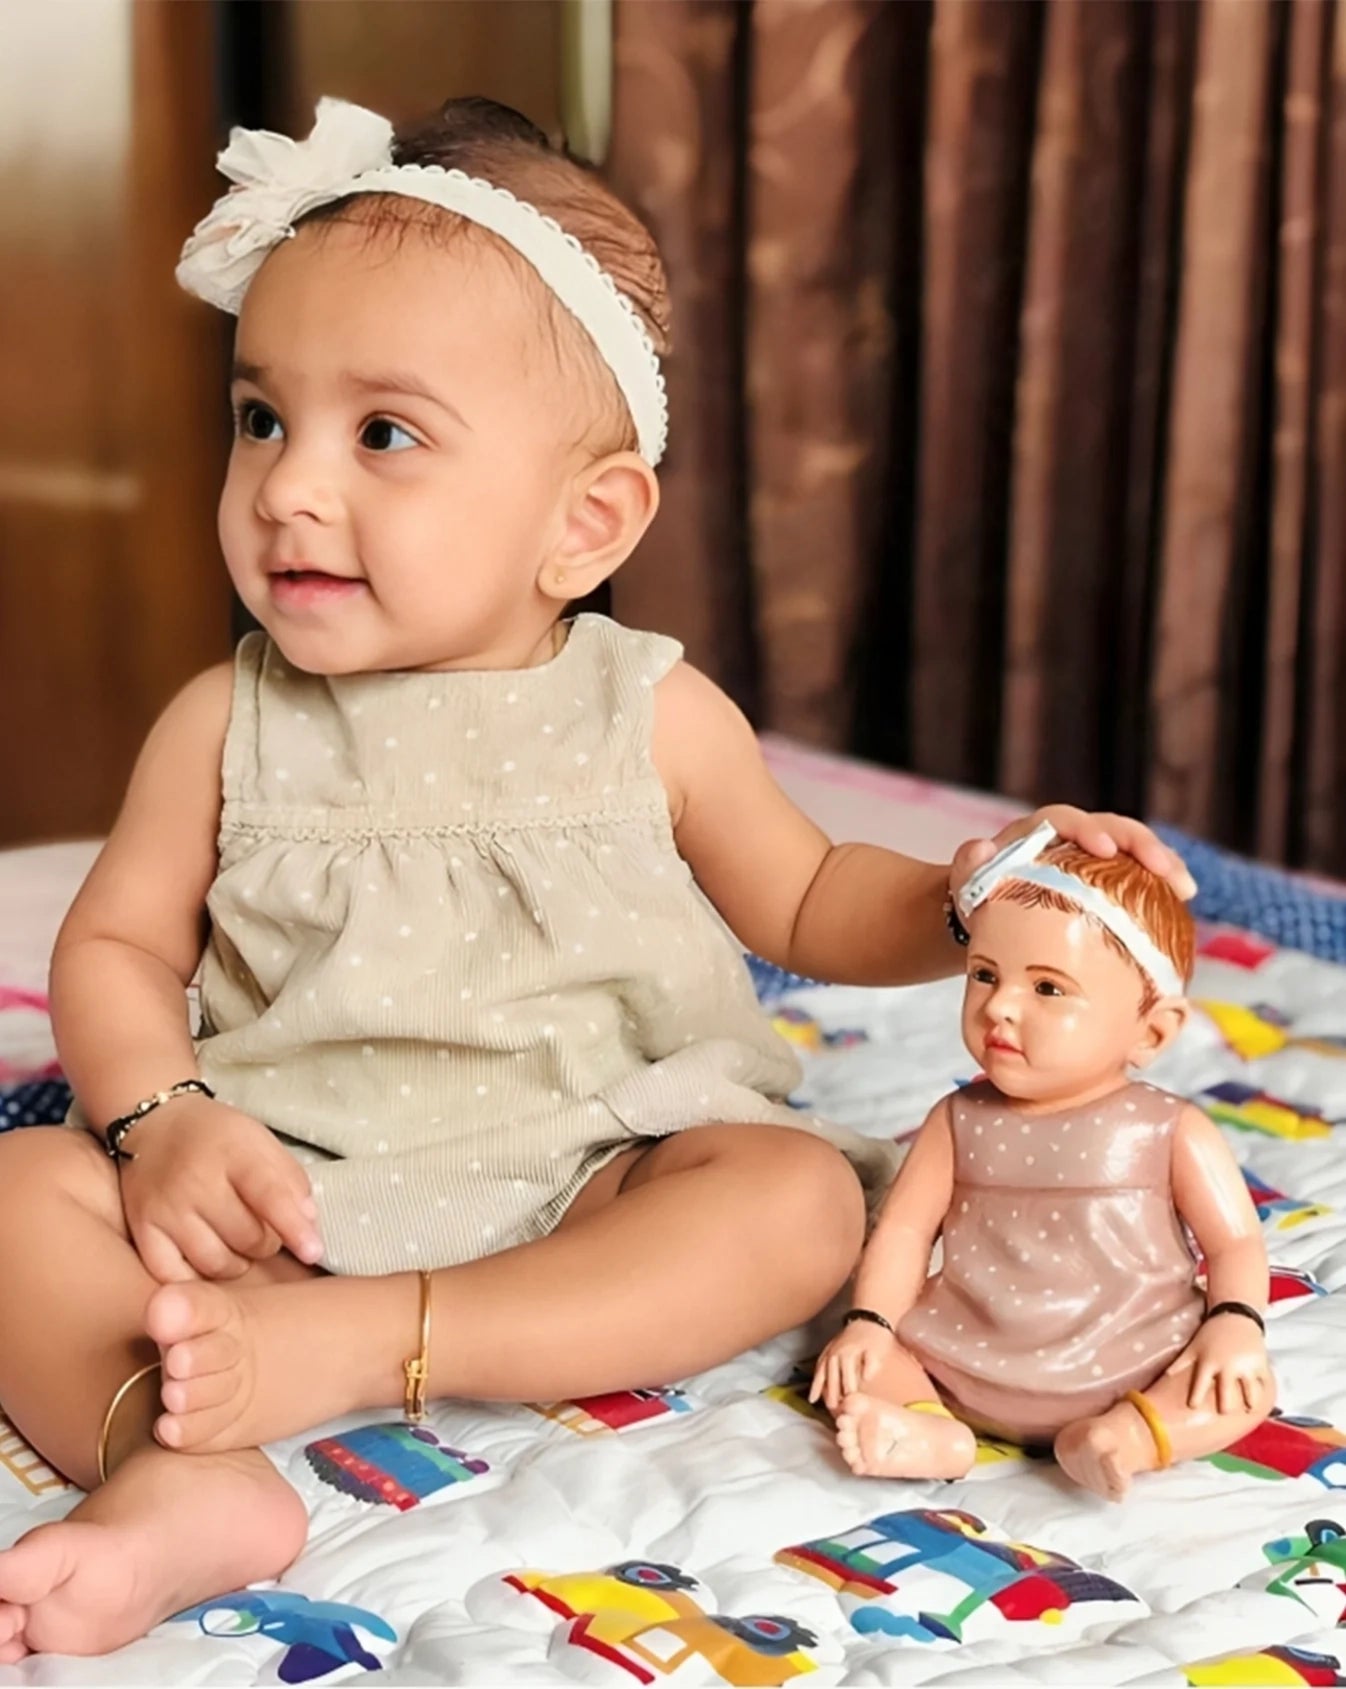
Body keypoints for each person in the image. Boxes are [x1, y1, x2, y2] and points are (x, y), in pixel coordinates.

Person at [0, 97, 1195, 1660]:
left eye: (382, 435)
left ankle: (372, 1346)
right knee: (21, 1195)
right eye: (261, 418)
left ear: (584, 522)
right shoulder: (225, 722)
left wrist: (970, 894)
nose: (286, 487)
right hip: (292, 1183)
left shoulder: (647, 710)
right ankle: (175, 1468)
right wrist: (162, 1121)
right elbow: (114, 950)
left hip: (595, 1168)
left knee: (787, 1203)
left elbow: (806, 894)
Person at [811, 825, 1272, 1500]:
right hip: (960, 1354)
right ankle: (931, 1429)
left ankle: (1123, 1436)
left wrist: (1235, 1320)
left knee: (1241, 1386)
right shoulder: (957, 1120)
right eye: (984, 975)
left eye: (1048, 988)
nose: (999, 1005)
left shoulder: (1168, 1128)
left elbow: (1234, 1241)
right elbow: (905, 1231)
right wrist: (871, 1323)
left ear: (1152, 1030)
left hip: (1136, 1356)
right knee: (854, 1360)